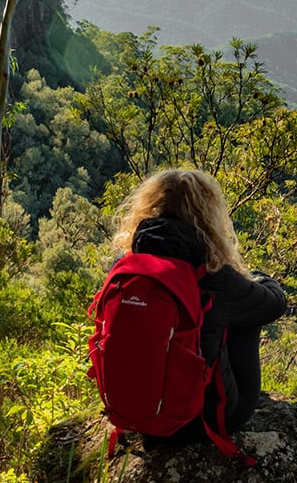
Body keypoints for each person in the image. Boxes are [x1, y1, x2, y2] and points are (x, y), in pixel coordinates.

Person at [108, 168, 286, 437]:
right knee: (247, 317)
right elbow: (274, 304)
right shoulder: (214, 276)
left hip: (136, 414)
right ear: (207, 215)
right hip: (202, 422)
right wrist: (260, 278)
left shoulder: (127, 266)